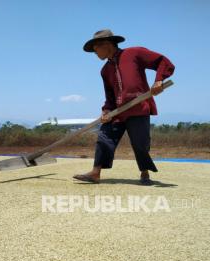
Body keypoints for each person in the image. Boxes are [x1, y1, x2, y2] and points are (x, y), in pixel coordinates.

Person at [73, 29, 175, 185]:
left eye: (96, 49)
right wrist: (107, 111)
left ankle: (144, 173)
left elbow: (163, 61)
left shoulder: (134, 53)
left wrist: (159, 80)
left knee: (140, 143)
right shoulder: (105, 70)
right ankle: (95, 172)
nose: (95, 53)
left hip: (138, 107)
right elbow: (110, 96)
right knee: (104, 136)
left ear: (106, 44)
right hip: (118, 112)